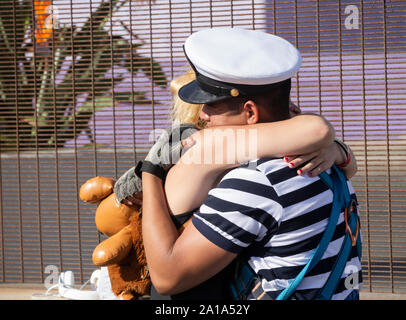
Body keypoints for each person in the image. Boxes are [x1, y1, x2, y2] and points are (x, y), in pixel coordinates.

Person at [116, 28, 360, 300]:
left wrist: (151, 172)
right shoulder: (324, 159)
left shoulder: (256, 182)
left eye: (211, 105)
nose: (204, 115)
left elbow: (168, 278)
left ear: (250, 112)